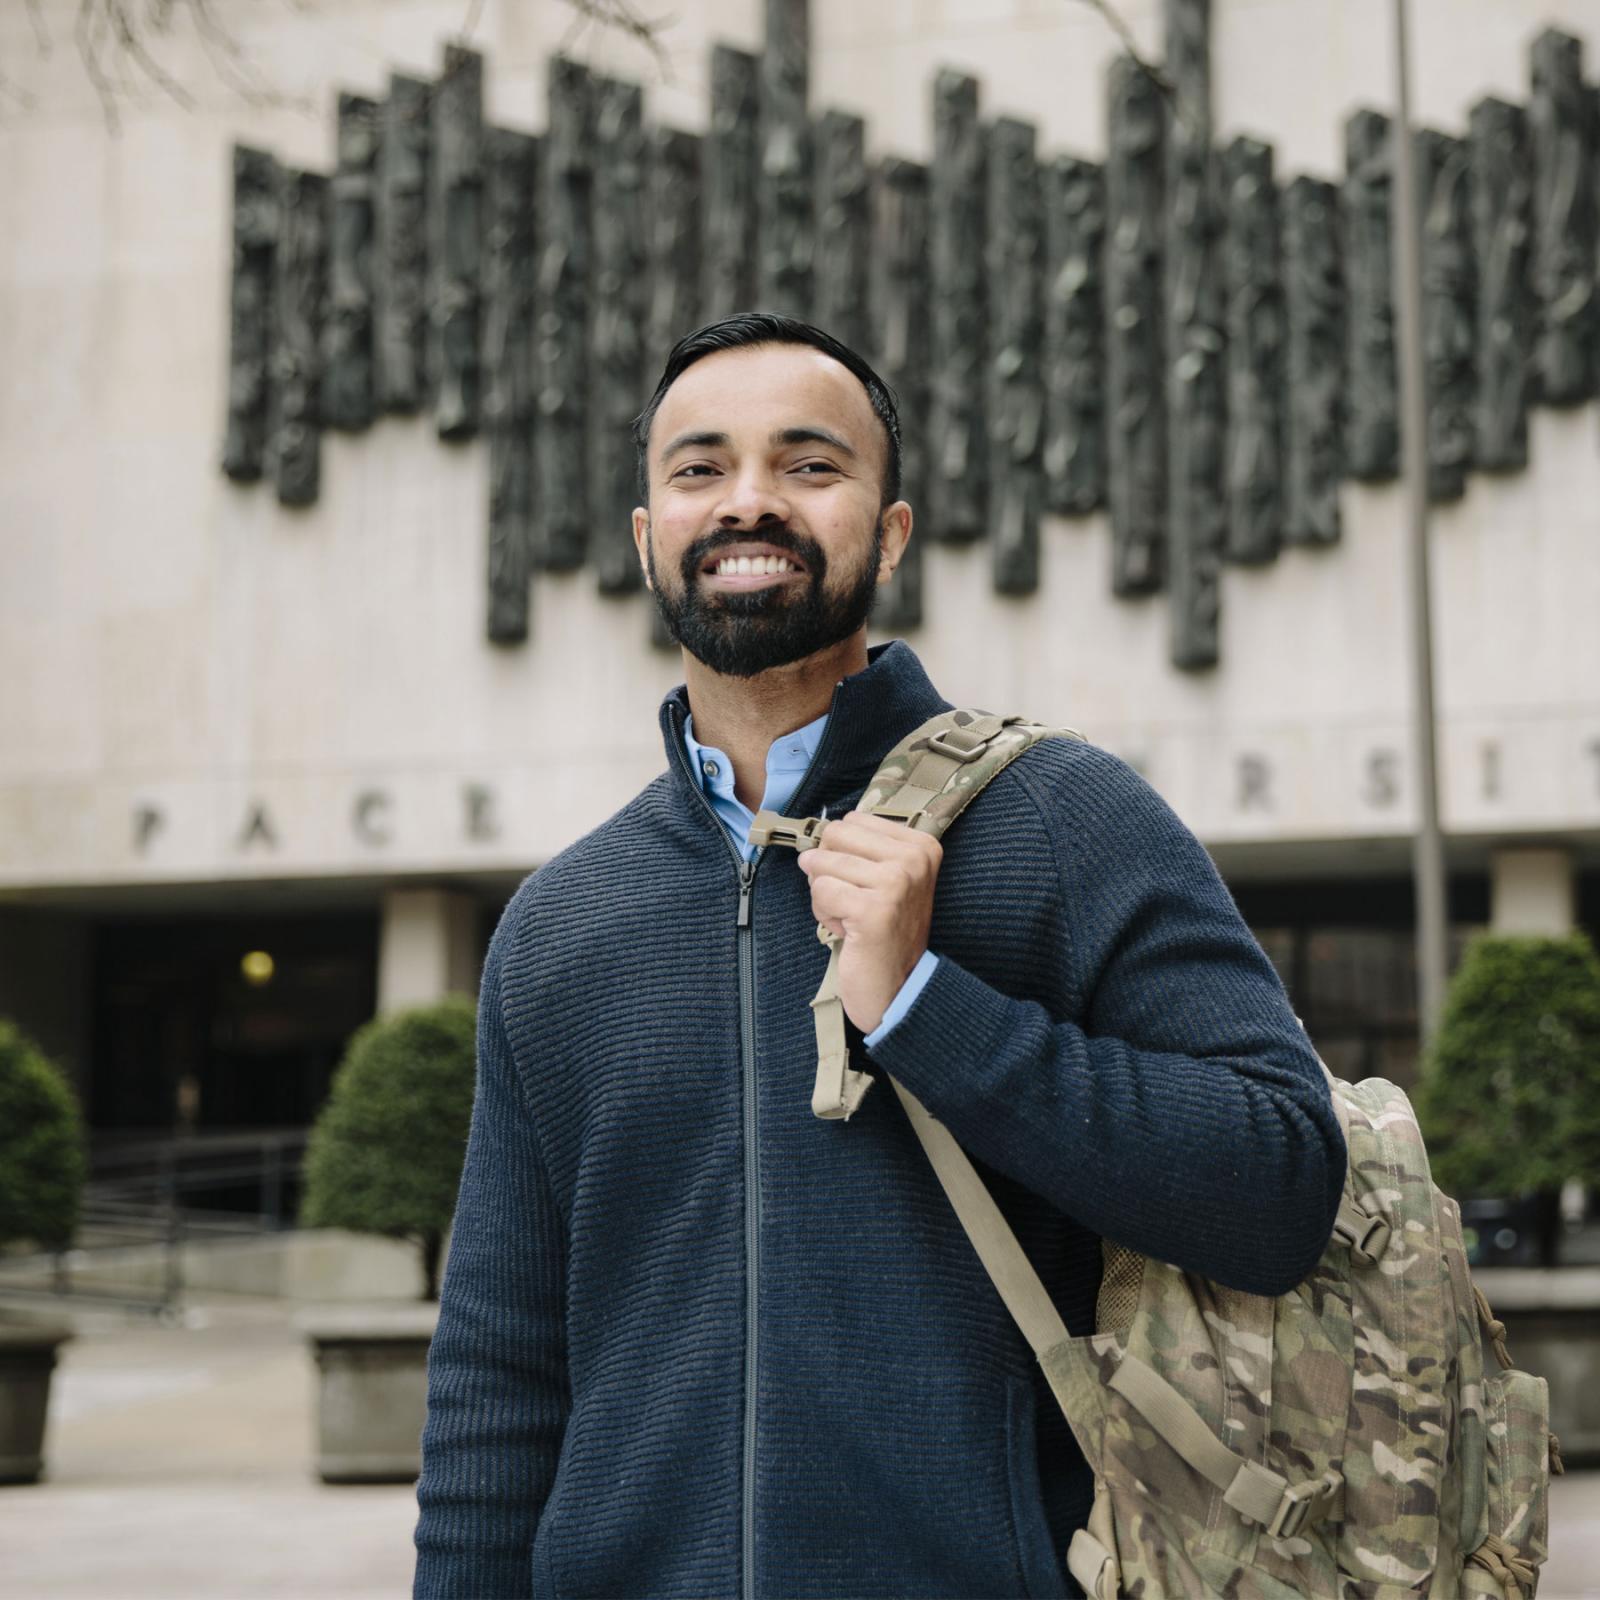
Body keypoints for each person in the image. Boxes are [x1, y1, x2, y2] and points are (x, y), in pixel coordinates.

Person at [411, 312, 1346, 1600]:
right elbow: (500, 1369)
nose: (749, 502)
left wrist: (928, 1009)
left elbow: (1281, 1187)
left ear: (889, 532)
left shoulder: (1067, 821)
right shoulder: (561, 924)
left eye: (809, 465)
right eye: (699, 470)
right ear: (646, 540)